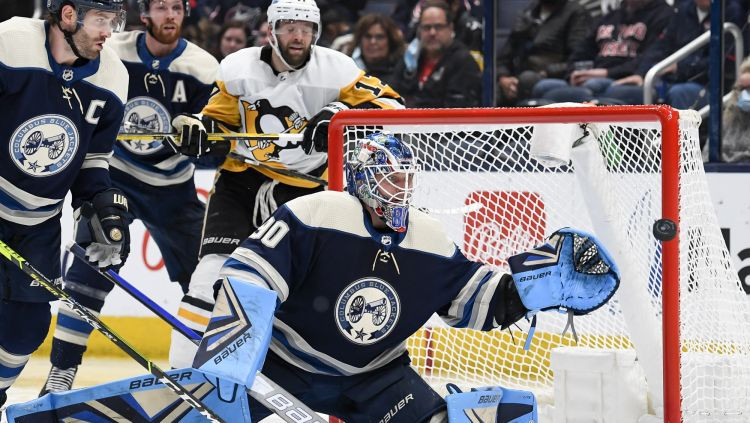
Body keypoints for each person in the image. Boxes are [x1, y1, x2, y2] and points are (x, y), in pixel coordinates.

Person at [215, 132, 621, 421]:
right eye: (392, 178)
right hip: (282, 364)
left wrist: (529, 290)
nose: (402, 189)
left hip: (375, 377)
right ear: (363, 179)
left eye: (407, 179)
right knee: (195, 415)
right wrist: (232, 355)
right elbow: (248, 272)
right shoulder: (319, 212)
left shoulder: (429, 237)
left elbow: (472, 300)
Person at [167, 0, 405, 369]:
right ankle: (181, 377)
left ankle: (287, 370)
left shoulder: (337, 70)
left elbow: (394, 107)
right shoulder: (238, 69)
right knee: (209, 277)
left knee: (302, 291)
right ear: (271, 30)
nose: (298, 36)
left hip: (309, 191)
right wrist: (198, 130)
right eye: (290, 27)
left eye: (306, 28)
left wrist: (339, 114)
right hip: (242, 181)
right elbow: (216, 123)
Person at [40, 0, 220, 395]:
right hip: (115, 178)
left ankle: (211, 373)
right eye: (161, 7)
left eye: (176, 7)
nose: (169, 15)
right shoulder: (113, 50)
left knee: (208, 280)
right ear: (145, 13)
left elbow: (217, 141)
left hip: (174, 189)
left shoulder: (204, 67)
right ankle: (61, 372)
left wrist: (202, 139)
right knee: (90, 267)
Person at [0, 0, 129, 407]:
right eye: (101, 20)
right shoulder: (10, 43)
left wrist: (98, 206)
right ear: (69, 15)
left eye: (114, 21)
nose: (109, 31)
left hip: (37, 223)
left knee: (27, 327)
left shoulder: (113, 75)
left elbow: (93, 158)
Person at [530, 0, 673, 104]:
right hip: (592, 76)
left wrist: (607, 73)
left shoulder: (664, 15)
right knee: (542, 86)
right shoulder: (611, 16)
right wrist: (574, 73)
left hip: (622, 79)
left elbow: (652, 56)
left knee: (593, 86)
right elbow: (581, 51)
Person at [496, 0, 591, 106]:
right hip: (520, 76)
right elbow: (504, 56)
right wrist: (503, 78)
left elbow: (579, 60)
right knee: (489, 85)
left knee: (527, 79)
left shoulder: (576, 12)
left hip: (554, 76)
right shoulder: (529, 13)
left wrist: (547, 72)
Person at [392, 0, 482, 108]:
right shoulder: (410, 58)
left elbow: (456, 108)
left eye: (438, 27)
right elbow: (393, 96)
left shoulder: (463, 60)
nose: (432, 33)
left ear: (450, 28)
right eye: (426, 27)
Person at [349, 14, 406, 87]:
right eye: (368, 36)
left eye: (379, 37)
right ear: (360, 40)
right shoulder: (349, 67)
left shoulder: (403, 70)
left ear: (391, 41)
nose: (373, 42)